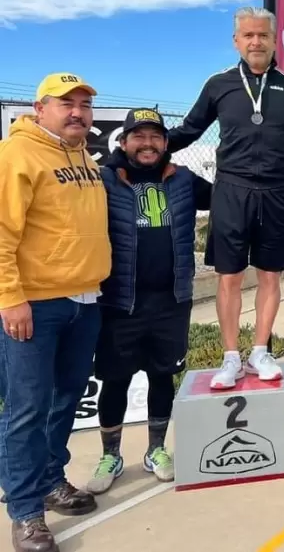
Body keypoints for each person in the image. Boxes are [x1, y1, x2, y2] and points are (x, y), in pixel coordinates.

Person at [168, 6, 284, 389]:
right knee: (230, 278)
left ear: (275, 40)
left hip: (276, 193)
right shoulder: (218, 84)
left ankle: (260, 352)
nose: (256, 42)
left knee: (271, 277)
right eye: (249, 36)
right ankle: (230, 358)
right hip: (231, 193)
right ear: (237, 41)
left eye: (263, 36)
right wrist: (150, 146)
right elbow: (189, 130)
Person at [0, 74, 111, 552]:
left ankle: (51, 479)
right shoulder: (17, 154)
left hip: (85, 300)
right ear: (39, 108)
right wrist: (10, 297)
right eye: (66, 103)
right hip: (36, 305)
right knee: (26, 409)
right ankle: (25, 511)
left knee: (66, 399)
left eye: (85, 104)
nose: (78, 112)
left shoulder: (83, 156)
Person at [85, 109, 213, 494]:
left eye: (156, 136)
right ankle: (111, 455)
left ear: (166, 143)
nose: (148, 143)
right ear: (123, 143)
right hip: (119, 302)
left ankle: (156, 450)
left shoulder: (185, 180)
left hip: (172, 301)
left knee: (162, 376)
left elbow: (233, 195)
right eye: (138, 136)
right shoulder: (103, 180)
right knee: (115, 380)